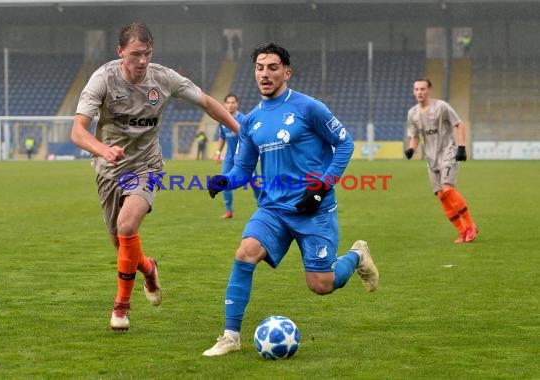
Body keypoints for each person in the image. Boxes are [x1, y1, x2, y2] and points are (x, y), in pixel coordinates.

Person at [202, 42, 379, 357]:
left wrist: (322, 187)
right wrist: (224, 180)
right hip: (272, 210)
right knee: (245, 253)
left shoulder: (308, 107)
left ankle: (356, 255)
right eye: (260, 67)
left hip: (314, 210)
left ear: (286, 72)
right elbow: (243, 169)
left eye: (272, 67)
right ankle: (231, 336)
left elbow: (345, 143)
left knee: (321, 284)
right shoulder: (251, 121)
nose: (265, 74)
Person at [70, 22, 240, 331]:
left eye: (147, 53)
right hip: (109, 170)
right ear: (120, 51)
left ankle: (121, 309)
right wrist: (103, 150)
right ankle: (148, 268)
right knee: (121, 244)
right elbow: (78, 132)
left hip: (147, 166)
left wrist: (239, 130)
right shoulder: (103, 79)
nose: (143, 61)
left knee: (126, 225)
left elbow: (206, 102)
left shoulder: (163, 78)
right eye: (136, 54)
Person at [405, 78, 478, 243]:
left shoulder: (441, 107)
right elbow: (414, 136)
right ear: (413, 91)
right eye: (416, 89)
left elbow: (459, 124)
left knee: (448, 189)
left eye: (422, 89)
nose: (419, 92)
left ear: (429, 90)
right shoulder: (413, 113)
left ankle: (471, 225)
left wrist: (461, 147)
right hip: (431, 158)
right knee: (441, 195)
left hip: (448, 152)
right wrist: (411, 148)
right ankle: (462, 231)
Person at [214, 93, 261, 219]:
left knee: (255, 184)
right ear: (224, 104)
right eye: (228, 102)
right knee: (223, 182)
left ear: (237, 104)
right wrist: (218, 152)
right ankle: (229, 211)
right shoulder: (222, 120)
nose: (230, 105)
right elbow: (222, 137)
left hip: (246, 158)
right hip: (229, 159)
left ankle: (262, 208)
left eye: (233, 102)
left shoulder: (244, 120)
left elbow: (252, 138)